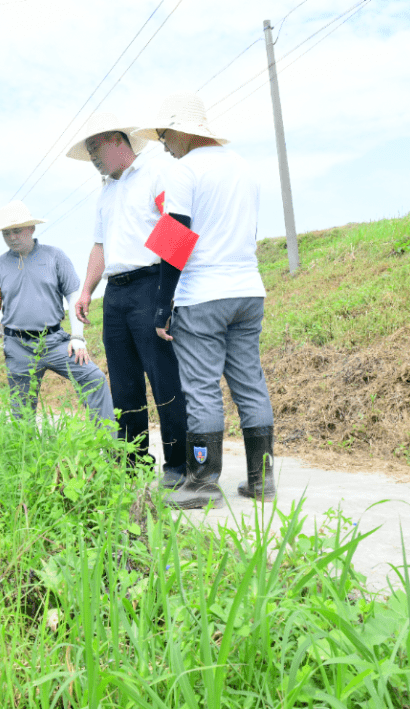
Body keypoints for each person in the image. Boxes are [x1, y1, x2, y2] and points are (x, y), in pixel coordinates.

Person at [133, 92, 276, 509]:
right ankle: (262, 481)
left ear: (181, 130)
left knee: (200, 389)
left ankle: (202, 483)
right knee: (250, 382)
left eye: (163, 135)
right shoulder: (244, 168)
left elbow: (175, 238)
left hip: (203, 294)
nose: (162, 143)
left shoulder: (185, 170)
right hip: (248, 289)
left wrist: (163, 307)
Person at [66, 112, 189, 486]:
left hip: (151, 282)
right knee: (124, 384)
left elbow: (176, 227)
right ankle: (134, 463)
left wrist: (167, 296)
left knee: (163, 377)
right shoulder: (106, 191)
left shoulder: (155, 173)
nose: (92, 158)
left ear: (118, 141)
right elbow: (100, 245)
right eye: (88, 151)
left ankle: (177, 465)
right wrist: (88, 288)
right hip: (116, 293)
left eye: (95, 148)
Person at [0, 201, 114, 424]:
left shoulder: (55, 257)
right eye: (6, 233)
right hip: (18, 346)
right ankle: (28, 457)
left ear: (31, 229)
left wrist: (78, 337)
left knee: (95, 378)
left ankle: (110, 448)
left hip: (55, 341)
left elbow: (73, 296)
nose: (12, 237)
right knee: (22, 413)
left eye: (17, 231)